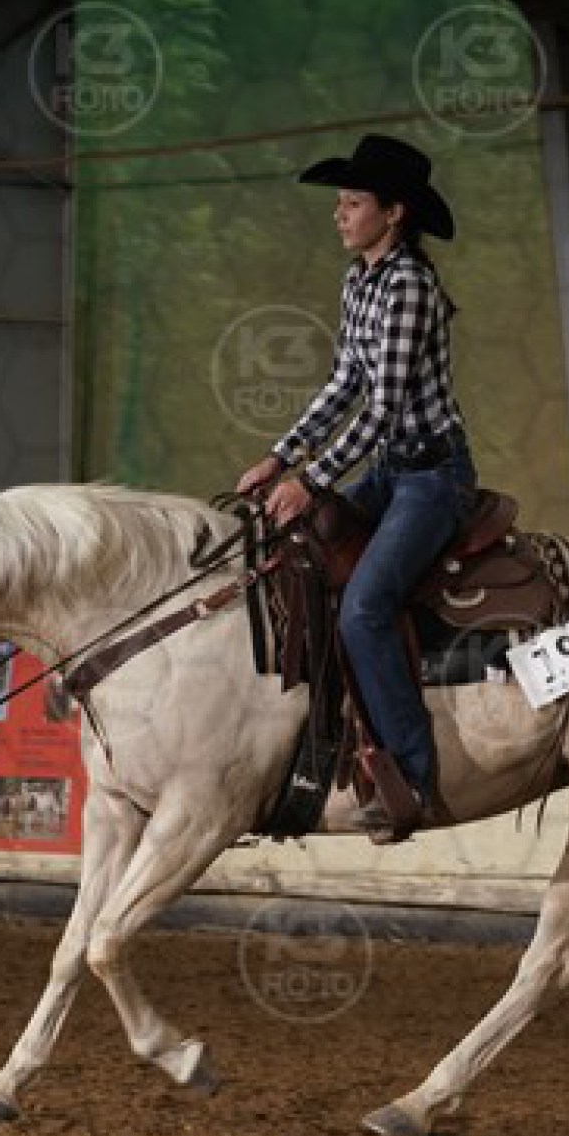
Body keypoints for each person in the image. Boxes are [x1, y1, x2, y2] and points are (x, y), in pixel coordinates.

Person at [236, 133, 478, 842]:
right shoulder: (359, 281)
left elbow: (383, 408)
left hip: (432, 477)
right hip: (390, 472)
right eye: (340, 202)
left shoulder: (409, 287)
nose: (339, 214)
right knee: (297, 559)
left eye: (352, 203)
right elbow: (343, 383)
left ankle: (413, 778)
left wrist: (312, 481)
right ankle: (319, 743)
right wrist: (280, 457)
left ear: (393, 213)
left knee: (365, 609)